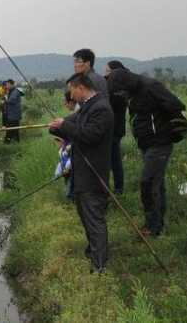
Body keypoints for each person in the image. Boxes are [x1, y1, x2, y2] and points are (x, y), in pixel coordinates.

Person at [107, 68, 187, 236]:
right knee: (157, 184)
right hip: (147, 144)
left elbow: (176, 105)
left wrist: (168, 131)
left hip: (160, 143)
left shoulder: (151, 87)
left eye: (122, 91)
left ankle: (153, 227)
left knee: (147, 183)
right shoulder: (132, 92)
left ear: (127, 83)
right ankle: (157, 223)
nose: (121, 94)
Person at [49, 73, 114, 273]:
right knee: (85, 215)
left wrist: (65, 125)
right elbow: (70, 126)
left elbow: (90, 136)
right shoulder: (87, 107)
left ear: (80, 88)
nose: (70, 94)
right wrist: (56, 127)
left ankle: (99, 265)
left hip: (94, 173)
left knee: (94, 217)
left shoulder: (101, 109)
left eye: (71, 90)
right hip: (82, 172)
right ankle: (93, 252)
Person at [104, 61, 128, 194]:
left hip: (114, 129)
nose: (105, 74)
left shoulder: (117, 89)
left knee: (114, 160)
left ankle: (117, 189)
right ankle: (117, 189)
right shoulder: (119, 86)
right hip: (115, 129)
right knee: (114, 160)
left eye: (107, 71)